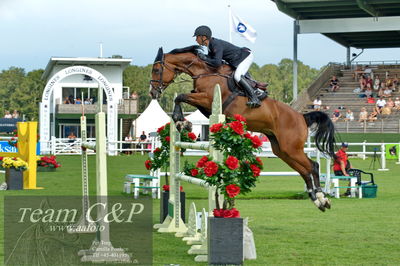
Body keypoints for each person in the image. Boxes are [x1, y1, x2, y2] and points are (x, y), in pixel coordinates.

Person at [193, 25, 260, 108]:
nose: (196, 40)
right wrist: (203, 57)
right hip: (236, 60)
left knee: (237, 76)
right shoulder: (210, 46)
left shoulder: (215, 44)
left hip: (245, 56)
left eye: (197, 37)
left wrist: (205, 58)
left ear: (203, 37)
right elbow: (212, 60)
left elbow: (217, 63)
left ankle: (254, 98)